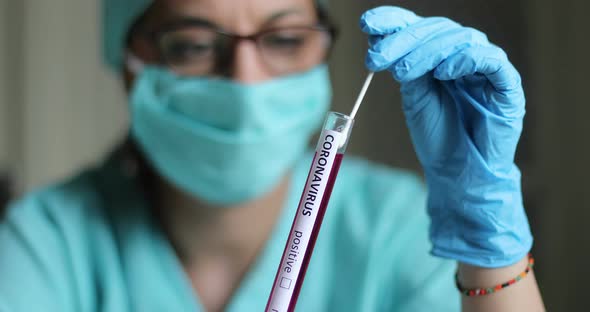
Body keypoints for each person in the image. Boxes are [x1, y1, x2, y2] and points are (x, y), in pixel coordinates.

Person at [0, 0, 545, 311]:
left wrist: (488, 247)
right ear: (128, 60)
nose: (246, 80)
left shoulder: (396, 228)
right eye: (193, 44)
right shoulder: (46, 244)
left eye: (283, 39)